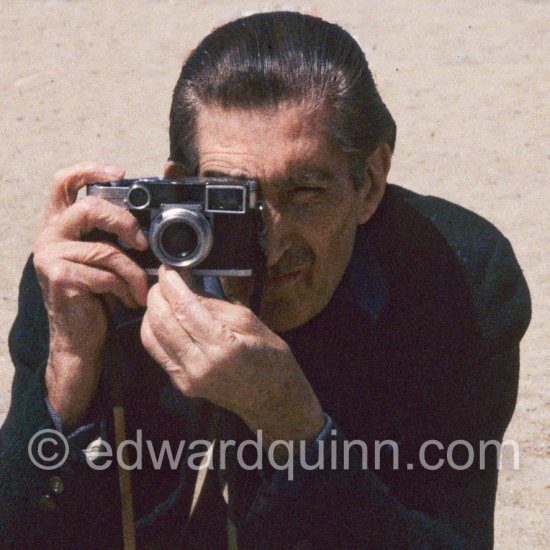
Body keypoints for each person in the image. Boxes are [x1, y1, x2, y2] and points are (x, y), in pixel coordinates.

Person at [0, 11, 530, 550]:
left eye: (305, 194)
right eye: (231, 202)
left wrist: (297, 430)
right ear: (180, 189)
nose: (271, 246)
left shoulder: (455, 279)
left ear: (369, 184)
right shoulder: (95, 276)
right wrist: (67, 376)